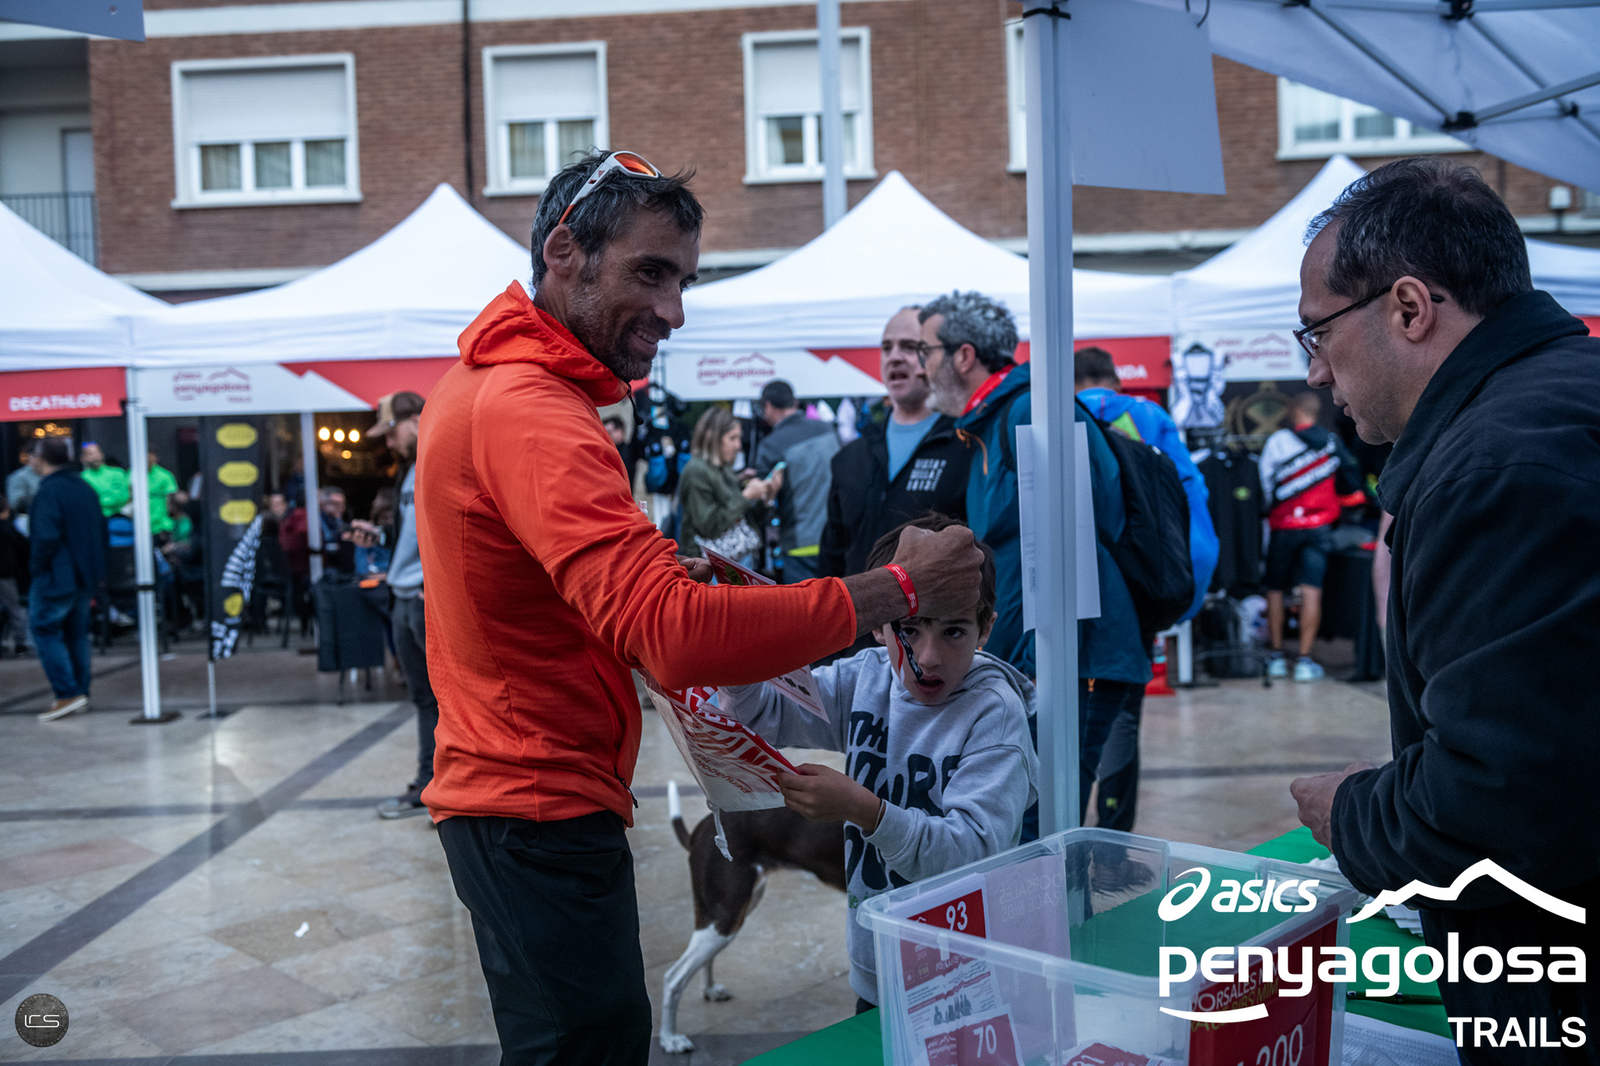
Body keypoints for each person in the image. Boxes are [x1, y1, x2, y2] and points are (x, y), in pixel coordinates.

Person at [415, 148, 984, 1066]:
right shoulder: (529, 406)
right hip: (532, 804)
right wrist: (903, 591)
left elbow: (581, 600)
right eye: (651, 273)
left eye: (683, 281)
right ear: (564, 251)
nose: (674, 310)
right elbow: (670, 635)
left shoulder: (502, 386)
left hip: (521, 796)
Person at [1287, 159, 1599, 1061]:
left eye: (1318, 333)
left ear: (1410, 308)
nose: (1316, 371)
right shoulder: (1561, 399)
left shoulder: (1497, 467)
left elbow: (1501, 803)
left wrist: (1352, 813)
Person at [720, 514, 1037, 1010]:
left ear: (985, 629)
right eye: (909, 629)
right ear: (877, 625)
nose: (928, 657)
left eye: (954, 631)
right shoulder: (866, 679)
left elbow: (970, 854)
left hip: (964, 978)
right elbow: (764, 713)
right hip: (875, 965)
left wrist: (865, 810)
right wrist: (729, 635)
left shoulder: (994, 715)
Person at [918, 291, 1149, 834]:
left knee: (1045, 831)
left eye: (925, 350)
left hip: (1071, 658)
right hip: (1041, 658)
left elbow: (1086, 526)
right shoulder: (994, 419)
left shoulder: (1029, 409)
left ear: (963, 355)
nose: (921, 365)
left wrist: (1032, 662)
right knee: (1029, 826)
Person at [1073, 345, 1219, 830]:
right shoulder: (1149, 417)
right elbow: (1191, 506)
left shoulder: (1053, 416)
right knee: (1119, 715)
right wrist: (1181, 599)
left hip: (1061, 598)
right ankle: (1112, 841)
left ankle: (1057, 836)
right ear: (1116, 379)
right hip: (1133, 600)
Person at [821, 306, 971, 579]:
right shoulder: (851, 457)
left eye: (910, 347)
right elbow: (832, 557)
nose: (895, 357)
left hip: (935, 605)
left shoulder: (966, 445)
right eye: (887, 347)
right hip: (860, 605)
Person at [353, 391, 437, 820]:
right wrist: (381, 536)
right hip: (404, 595)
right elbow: (413, 534)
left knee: (444, 700)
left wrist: (438, 584)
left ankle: (446, 792)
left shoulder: (440, 459)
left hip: (425, 597)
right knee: (424, 698)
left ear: (416, 419)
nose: (388, 443)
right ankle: (429, 786)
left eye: (391, 432)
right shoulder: (409, 470)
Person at [1258, 390, 1361, 682]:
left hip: (1282, 527)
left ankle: (1276, 658)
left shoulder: (1277, 441)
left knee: (1275, 589)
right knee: (1311, 590)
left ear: (1295, 411)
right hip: (1319, 528)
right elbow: (1351, 483)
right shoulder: (1331, 442)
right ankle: (1305, 661)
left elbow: (1264, 484)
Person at [27, 438, 105, 722]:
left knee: (45, 629)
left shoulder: (49, 491)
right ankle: (79, 692)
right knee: (76, 634)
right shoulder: (84, 487)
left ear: (41, 459)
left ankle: (67, 693)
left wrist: (36, 567)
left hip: (56, 576)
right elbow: (100, 530)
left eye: (32, 456)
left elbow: (45, 537)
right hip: (84, 575)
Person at [752, 378, 839, 582]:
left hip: (800, 546)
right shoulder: (828, 429)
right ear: (794, 402)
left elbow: (760, 500)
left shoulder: (770, 446)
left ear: (768, 406)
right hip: (836, 539)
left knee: (804, 603)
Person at [675, 406, 768, 564]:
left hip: (732, 560)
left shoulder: (721, 468)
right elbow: (708, 526)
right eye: (732, 438)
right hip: (710, 565)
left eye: (738, 438)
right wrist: (746, 496)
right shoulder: (696, 471)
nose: (738, 445)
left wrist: (764, 495)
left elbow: (738, 511)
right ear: (713, 438)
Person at [0, 496, 28, 657]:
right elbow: (24, 547)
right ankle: (20, 644)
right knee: (15, 609)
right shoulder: (9, 529)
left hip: (6, 573)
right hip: (6, 574)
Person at [78, 442, 130, 519]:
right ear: (83, 458)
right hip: (93, 519)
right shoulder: (81, 478)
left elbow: (123, 497)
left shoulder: (117, 473)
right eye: (90, 454)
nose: (95, 456)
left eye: (97, 452)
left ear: (102, 454)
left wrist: (98, 501)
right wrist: (109, 498)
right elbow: (83, 502)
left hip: (116, 518)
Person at [7, 445, 41, 535]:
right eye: (38, 455)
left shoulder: (49, 474)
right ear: (30, 456)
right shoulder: (19, 476)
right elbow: (15, 503)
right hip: (27, 519)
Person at [147, 451, 180, 541]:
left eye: (149, 456)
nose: (147, 459)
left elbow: (172, 500)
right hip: (141, 526)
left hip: (161, 524)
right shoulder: (134, 474)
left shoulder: (164, 475)